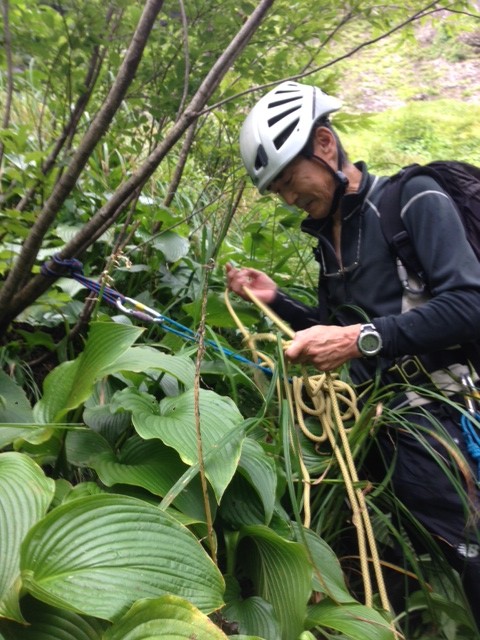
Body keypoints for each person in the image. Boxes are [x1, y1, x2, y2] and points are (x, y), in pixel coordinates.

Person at [226, 80, 480, 631]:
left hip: (442, 423)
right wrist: (277, 302)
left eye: (289, 181)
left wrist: (357, 339)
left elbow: (469, 303)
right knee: (424, 560)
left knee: (472, 558)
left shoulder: (413, 199)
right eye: (277, 192)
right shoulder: (332, 237)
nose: (288, 199)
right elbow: (338, 332)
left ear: (324, 144)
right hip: (381, 433)